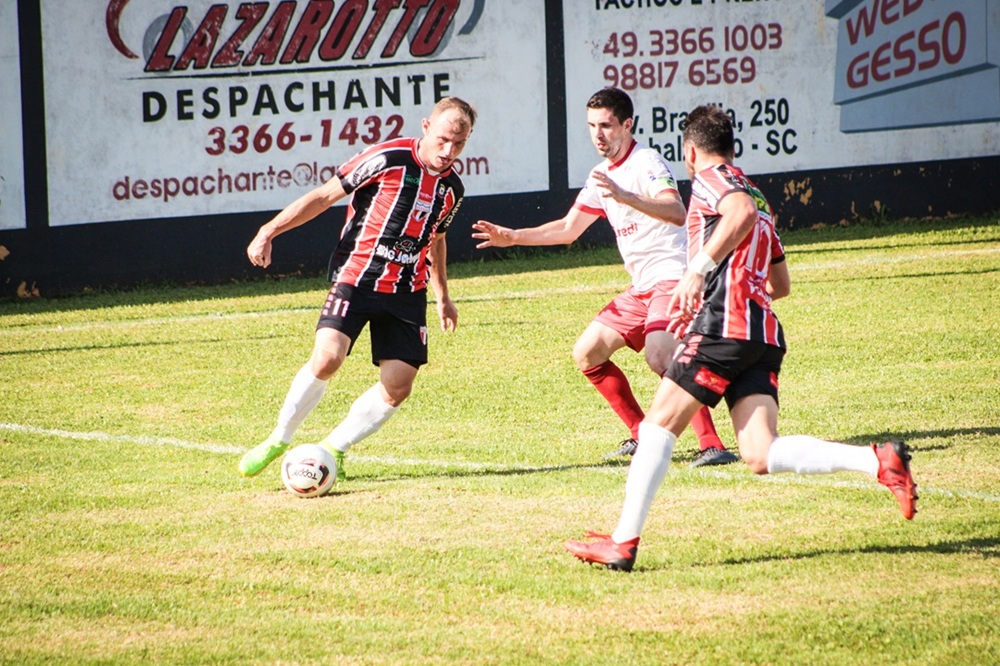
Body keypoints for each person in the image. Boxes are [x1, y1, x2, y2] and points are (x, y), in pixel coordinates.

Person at [564, 105, 918, 572]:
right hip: (762, 331)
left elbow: (740, 212)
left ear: (690, 153)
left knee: (655, 429)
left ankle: (623, 542)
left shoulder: (714, 184)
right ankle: (879, 462)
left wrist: (699, 270)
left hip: (722, 326)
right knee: (760, 452)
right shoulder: (760, 196)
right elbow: (780, 284)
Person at [472, 87, 736, 467]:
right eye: (592, 126)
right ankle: (639, 433)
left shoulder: (645, 162)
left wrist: (627, 196)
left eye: (607, 125)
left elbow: (676, 210)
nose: (599, 134)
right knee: (587, 352)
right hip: (641, 287)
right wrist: (512, 237)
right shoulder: (600, 175)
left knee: (661, 355)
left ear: (627, 125)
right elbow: (567, 228)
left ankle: (711, 443)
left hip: (671, 277)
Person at [238, 97, 476, 481]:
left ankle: (333, 449)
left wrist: (443, 296)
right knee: (328, 359)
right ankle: (278, 439)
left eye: (459, 145)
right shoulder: (388, 157)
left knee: (399, 385)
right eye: (444, 140)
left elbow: (437, 239)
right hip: (357, 278)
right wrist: (269, 231)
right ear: (426, 127)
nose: (449, 151)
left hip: (406, 291)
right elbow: (323, 196)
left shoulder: (453, 189)